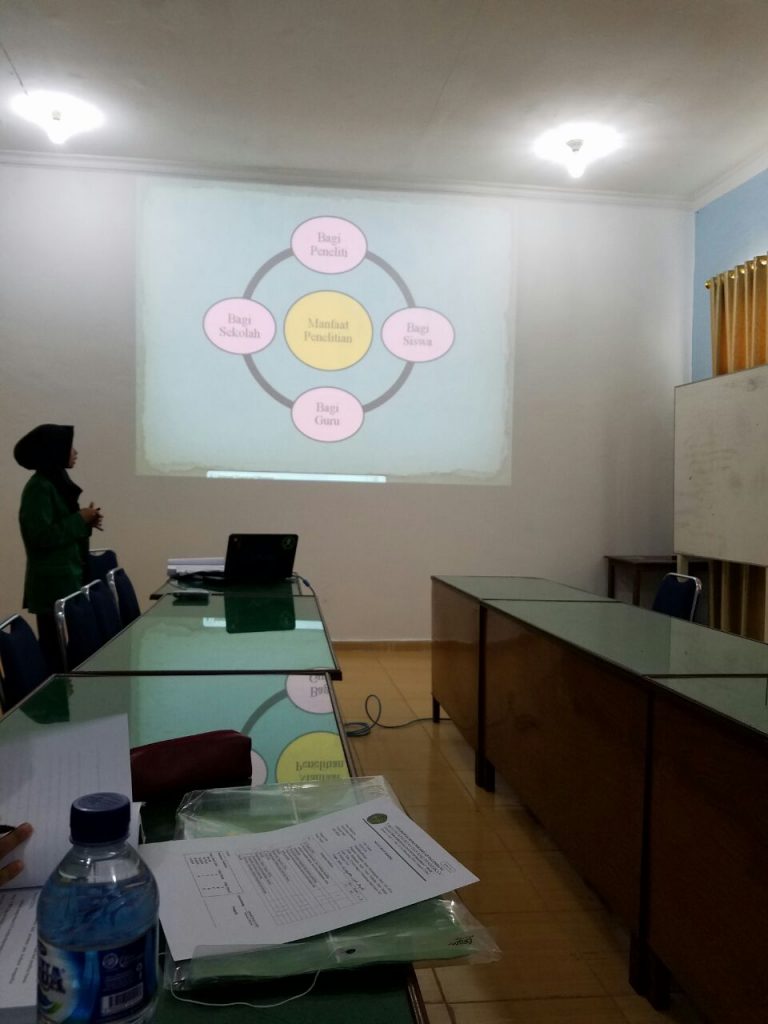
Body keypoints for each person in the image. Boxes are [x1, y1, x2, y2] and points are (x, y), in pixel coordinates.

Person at [13, 424, 103, 671]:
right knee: (55, 658)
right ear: (54, 450)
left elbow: (61, 526)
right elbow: (39, 536)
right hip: (51, 585)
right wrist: (80, 519)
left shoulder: (56, 481)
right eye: (70, 447)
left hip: (67, 579)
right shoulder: (39, 487)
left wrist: (85, 522)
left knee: (73, 652)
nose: (75, 452)